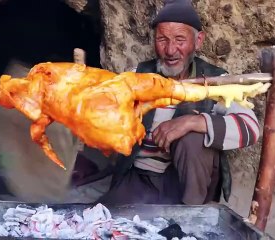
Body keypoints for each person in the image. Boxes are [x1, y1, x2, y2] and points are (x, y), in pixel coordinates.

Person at [98, 0, 261, 205]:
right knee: (101, 220)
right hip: (140, 179)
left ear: (198, 40)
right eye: (162, 39)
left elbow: (251, 128)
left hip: (185, 183)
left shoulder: (214, 80)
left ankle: (192, 214)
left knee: (192, 139)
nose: (170, 50)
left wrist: (190, 123)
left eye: (180, 39)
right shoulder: (138, 77)